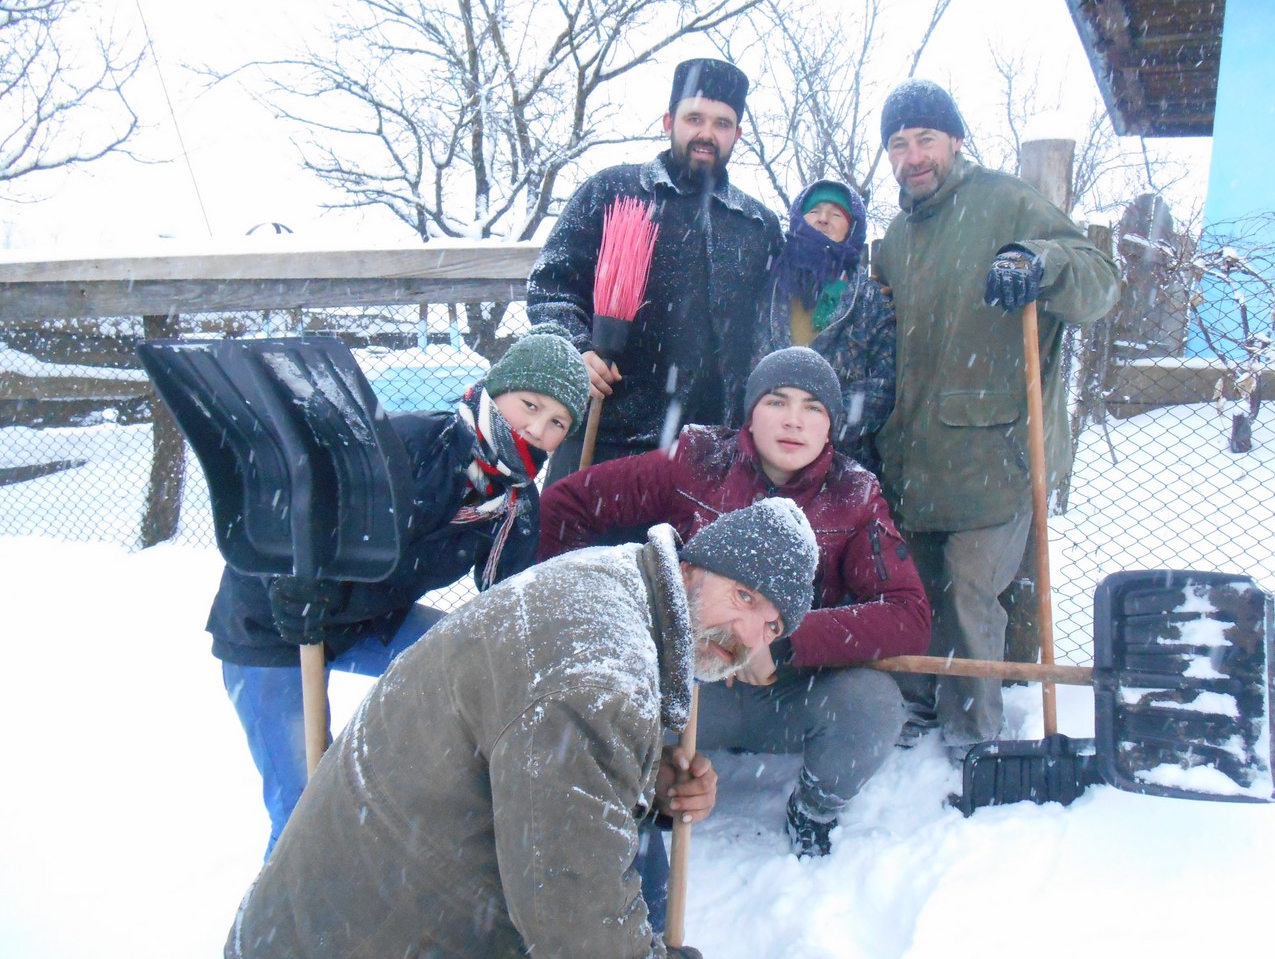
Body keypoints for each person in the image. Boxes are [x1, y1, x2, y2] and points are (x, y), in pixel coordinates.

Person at [225, 500, 820, 959]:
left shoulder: (614, 581)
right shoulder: (601, 674)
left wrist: (646, 778)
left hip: (337, 914)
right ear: (691, 570)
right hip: (361, 934)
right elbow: (576, 923)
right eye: (743, 596)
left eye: (772, 627)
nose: (748, 635)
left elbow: (543, 755)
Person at [208, 323, 591, 857]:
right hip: (273, 627)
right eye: (530, 405)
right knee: (303, 809)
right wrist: (287, 585)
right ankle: (282, 904)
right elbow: (290, 511)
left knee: (474, 661)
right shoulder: (405, 447)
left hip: (371, 621)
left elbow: (505, 611)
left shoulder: (513, 505)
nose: (536, 428)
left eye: (557, 423)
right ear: (496, 389)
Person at [540, 346, 930, 857]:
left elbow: (908, 614)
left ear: (831, 426)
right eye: (777, 401)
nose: (793, 421)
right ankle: (639, 797)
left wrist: (782, 644)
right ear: (751, 412)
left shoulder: (855, 495)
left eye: (813, 408)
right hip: (688, 692)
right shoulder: (698, 460)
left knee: (874, 706)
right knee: (595, 706)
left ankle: (814, 809)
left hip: (785, 693)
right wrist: (583, 613)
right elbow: (566, 505)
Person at [871, 79, 1121, 764]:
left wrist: (1040, 260)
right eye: (898, 144)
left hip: (995, 451)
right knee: (912, 589)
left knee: (969, 592)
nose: (912, 156)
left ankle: (974, 733)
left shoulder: (1006, 203)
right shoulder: (897, 237)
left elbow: (1100, 280)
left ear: (955, 141)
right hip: (913, 451)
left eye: (925, 139)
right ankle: (915, 703)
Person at [527, 57, 785, 483]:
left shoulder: (757, 226)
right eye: (694, 118)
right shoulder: (614, 192)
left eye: (722, 123)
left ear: (737, 135)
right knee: (574, 531)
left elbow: (775, 328)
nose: (706, 133)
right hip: (604, 438)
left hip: (710, 455)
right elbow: (550, 286)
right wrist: (576, 350)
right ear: (669, 122)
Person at [755, 178, 896, 472]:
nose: (823, 218)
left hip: (840, 463)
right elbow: (748, 361)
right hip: (765, 456)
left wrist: (821, 425)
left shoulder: (870, 298)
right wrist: (772, 418)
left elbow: (882, 386)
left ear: (851, 227)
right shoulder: (767, 285)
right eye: (814, 210)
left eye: (836, 213)